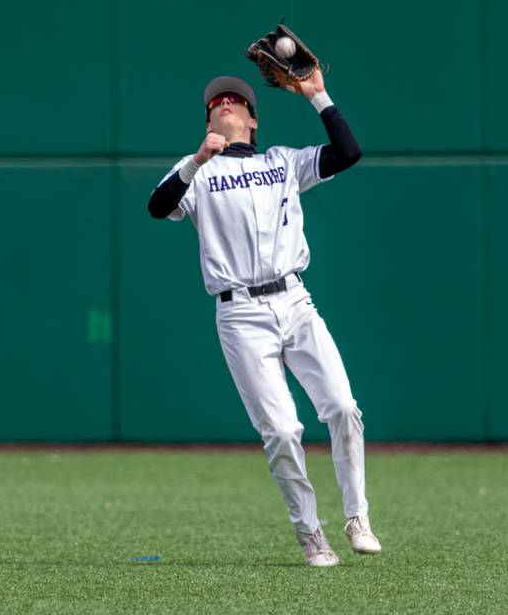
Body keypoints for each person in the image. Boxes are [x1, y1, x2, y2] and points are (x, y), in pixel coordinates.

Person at [147, 70, 381, 567]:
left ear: (253, 120)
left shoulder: (283, 162)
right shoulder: (198, 172)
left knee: (342, 406)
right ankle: (310, 532)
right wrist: (194, 161)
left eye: (236, 101)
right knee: (281, 429)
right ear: (209, 120)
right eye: (217, 102)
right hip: (240, 314)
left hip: (295, 302)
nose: (226, 104)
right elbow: (157, 206)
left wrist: (317, 93)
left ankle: (357, 515)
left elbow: (347, 152)